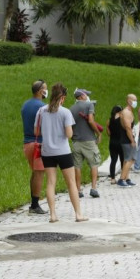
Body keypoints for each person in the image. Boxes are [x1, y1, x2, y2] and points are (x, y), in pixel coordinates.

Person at [34, 83, 87, 223]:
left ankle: (52, 215)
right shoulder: (65, 112)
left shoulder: (41, 110)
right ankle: (78, 214)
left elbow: (36, 132)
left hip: (47, 152)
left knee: (51, 183)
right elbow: (69, 134)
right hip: (63, 151)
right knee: (71, 183)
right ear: (62, 98)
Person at [21, 80, 48, 214]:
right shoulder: (42, 107)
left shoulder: (25, 105)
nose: (46, 91)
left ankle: (33, 202)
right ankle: (35, 205)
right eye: (45, 89)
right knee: (39, 173)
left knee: (34, 172)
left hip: (27, 143)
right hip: (38, 143)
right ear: (39, 91)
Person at [69, 88, 102, 198]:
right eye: (86, 95)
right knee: (94, 163)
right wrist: (98, 133)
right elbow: (91, 121)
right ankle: (93, 188)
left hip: (76, 141)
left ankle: (78, 190)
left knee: (77, 166)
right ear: (82, 96)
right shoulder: (89, 105)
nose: (87, 97)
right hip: (89, 140)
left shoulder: (71, 109)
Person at [117, 94, 138, 187]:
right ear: (129, 100)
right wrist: (132, 140)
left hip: (127, 139)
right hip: (127, 140)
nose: (135, 102)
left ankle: (126, 178)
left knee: (127, 160)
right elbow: (128, 128)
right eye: (134, 100)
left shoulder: (128, 111)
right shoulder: (126, 112)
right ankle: (121, 179)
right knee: (131, 159)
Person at [107, 105, 124, 184]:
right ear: (120, 112)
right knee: (122, 160)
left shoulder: (109, 121)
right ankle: (122, 177)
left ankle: (112, 178)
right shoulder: (122, 120)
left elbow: (109, 133)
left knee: (113, 161)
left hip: (112, 142)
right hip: (121, 142)